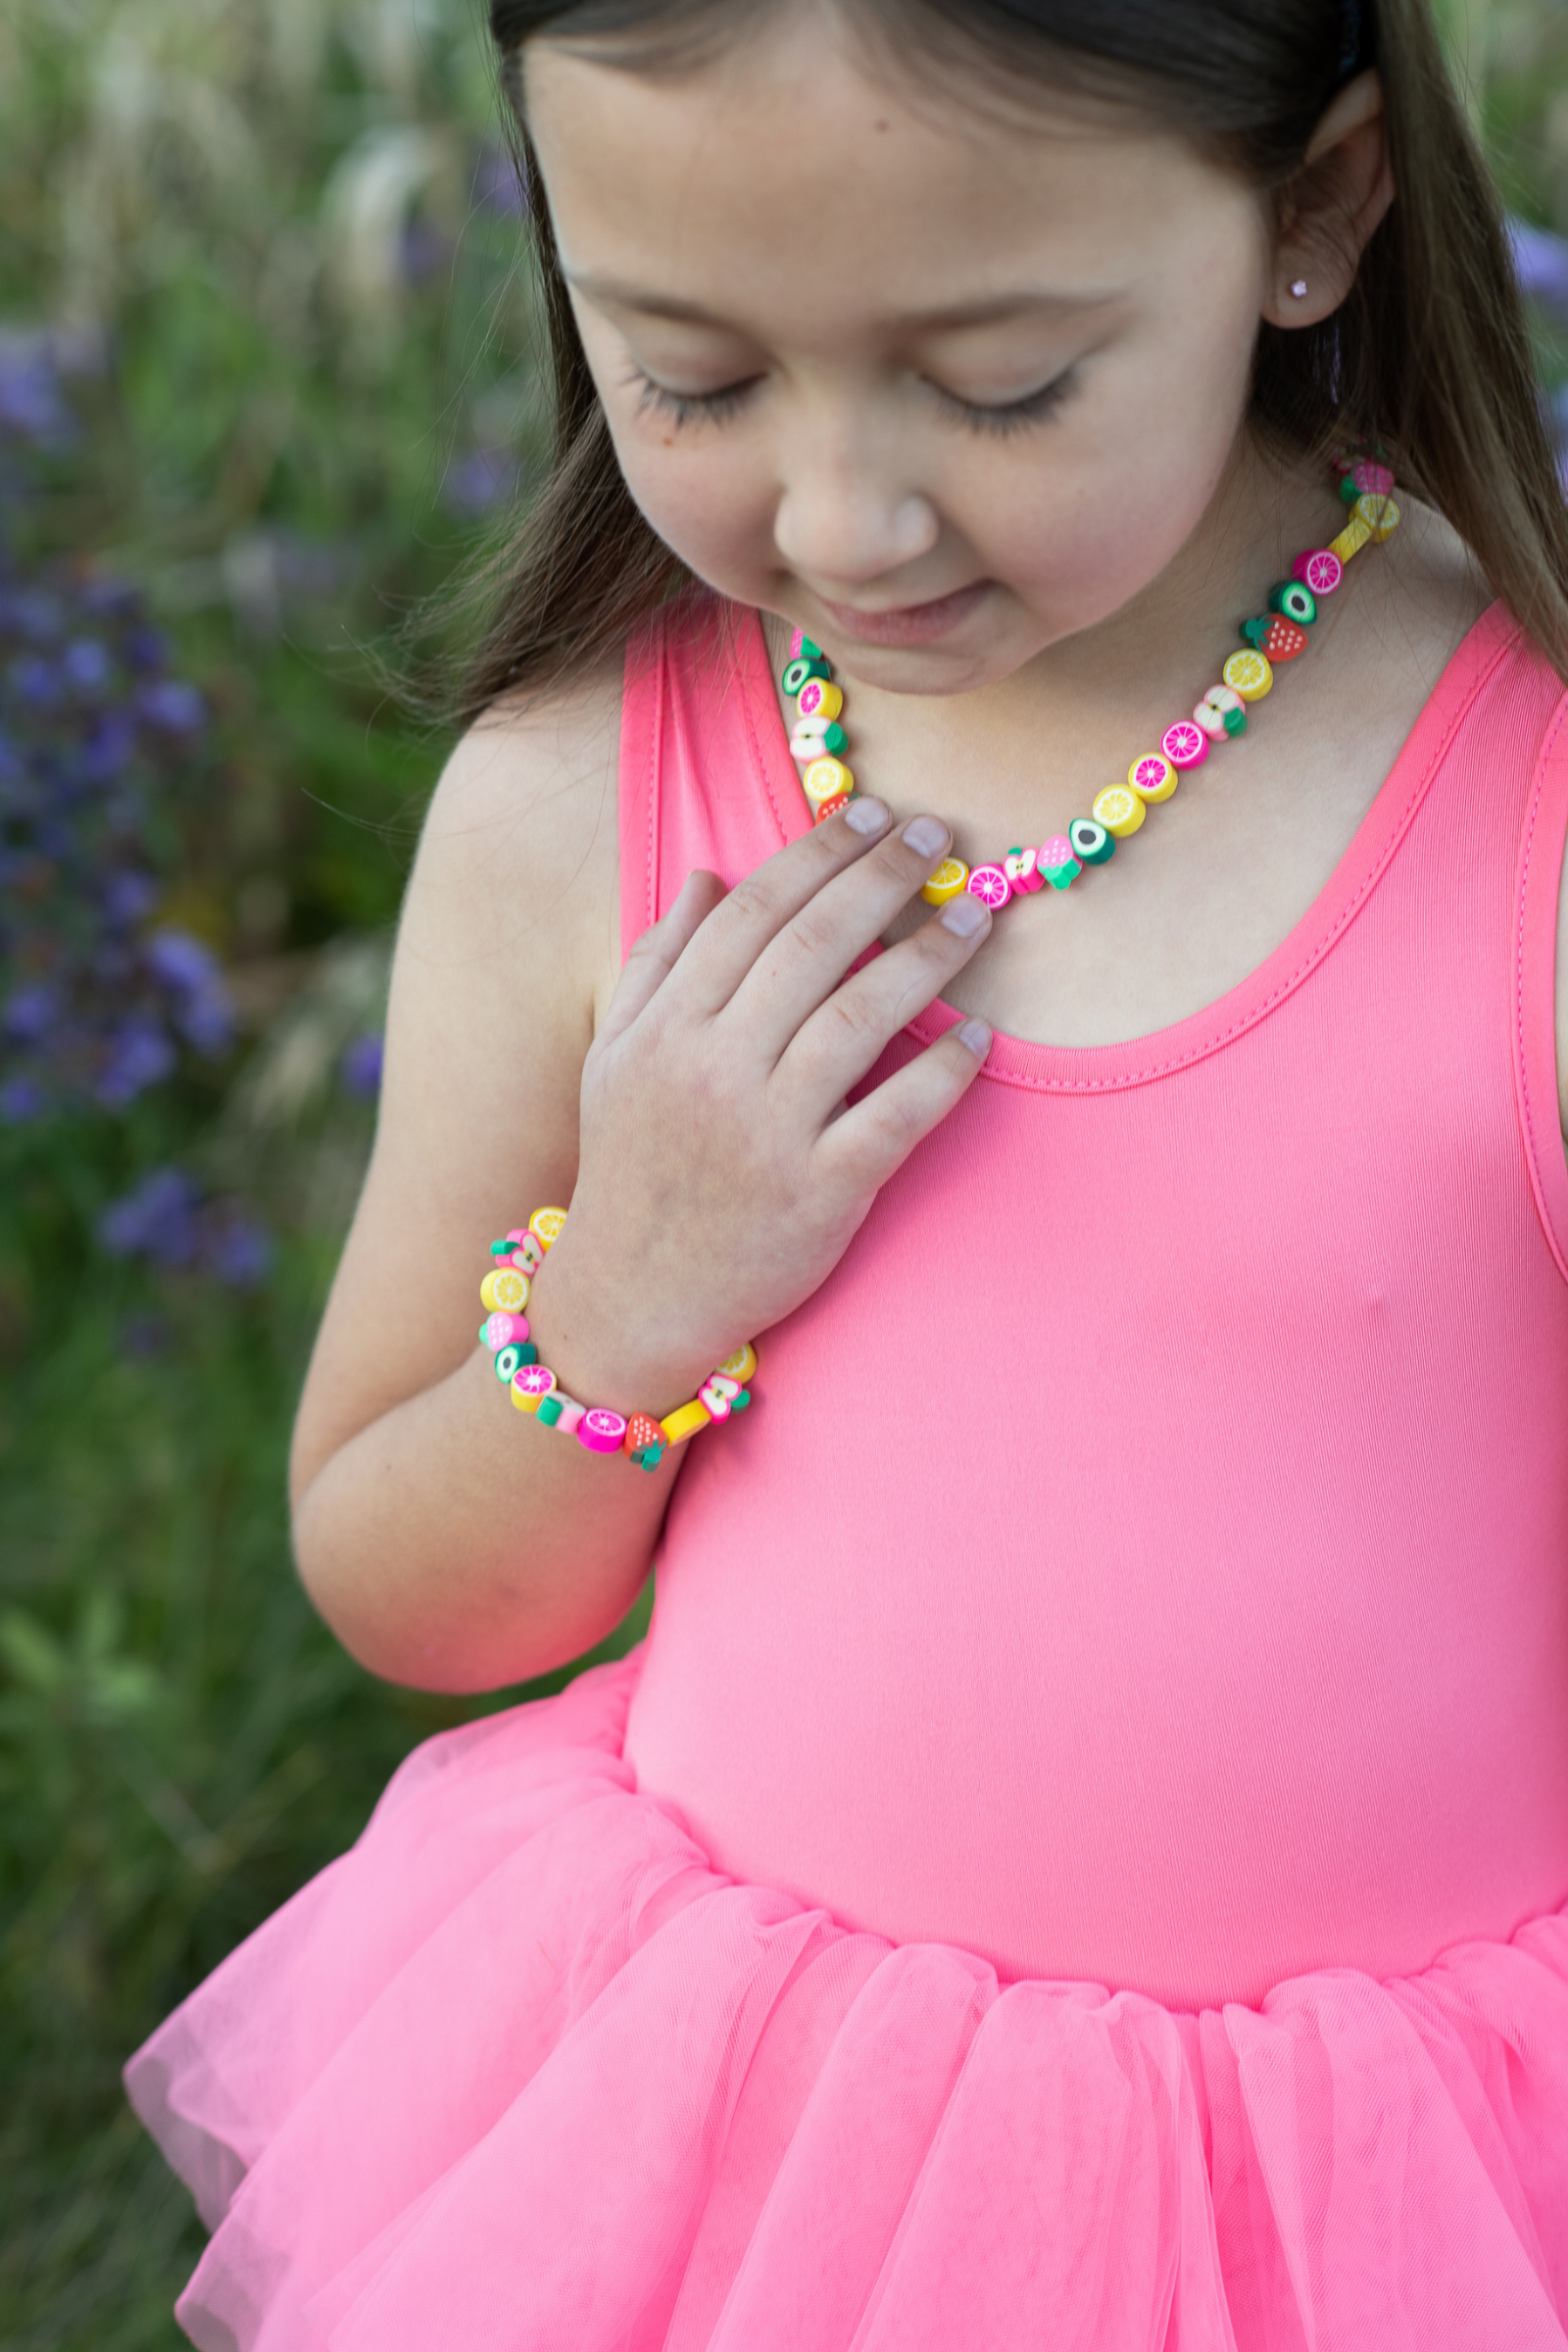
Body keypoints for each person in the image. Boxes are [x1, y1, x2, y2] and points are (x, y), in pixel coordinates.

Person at [126, 0, 1568, 2344]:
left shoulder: (1525, 808)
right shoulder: (575, 806)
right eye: (690, 376)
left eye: (995, 386)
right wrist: (630, 1296)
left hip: (1401, 2189)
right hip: (758, 2158)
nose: (839, 517)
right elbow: (410, 1591)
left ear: (1309, 214)